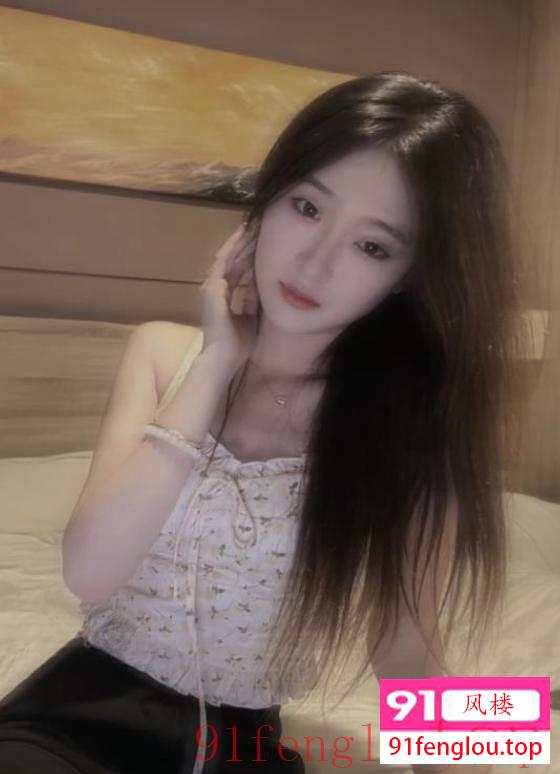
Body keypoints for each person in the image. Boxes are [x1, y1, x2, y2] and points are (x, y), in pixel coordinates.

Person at [0, 70, 523, 774]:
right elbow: (89, 574)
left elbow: (407, 653)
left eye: (371, 246)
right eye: (307, 207)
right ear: (267, 202)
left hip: (243, 744)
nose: (314, 261)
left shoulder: (407, 436)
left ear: (407, 275)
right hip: (80, 714)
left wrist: (507, 742)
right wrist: (218, 360)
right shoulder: (163, 354)